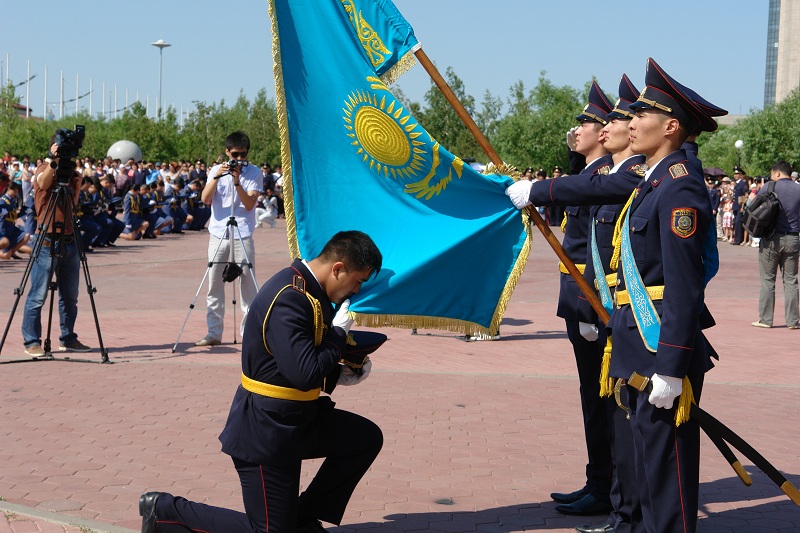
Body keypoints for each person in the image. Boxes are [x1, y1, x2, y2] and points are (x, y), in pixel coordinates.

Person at [509, 57, 725, 533]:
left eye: (639, 117)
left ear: (669, 127)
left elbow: (684, 286)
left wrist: (671, 366)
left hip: (657, 340)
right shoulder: (651, 181)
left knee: (665, 472)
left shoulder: (678, 188)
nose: (629, 124)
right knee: (644, 458)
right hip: (632, 332)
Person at [139, 230, 384, 533]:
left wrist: (339, 373)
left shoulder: (308, 290)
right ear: (338, 269)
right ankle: (163, 509)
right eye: (358, 281)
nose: (357, 291)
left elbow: (288, 361)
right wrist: (337, 335)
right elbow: (304, 372)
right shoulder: (291, 297)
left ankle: (303, 517)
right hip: (266, 429)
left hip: (297, 420)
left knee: (365, 439)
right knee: (268, 531)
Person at [21, 137, 92, 356]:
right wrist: (53, 159)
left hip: (70, 241)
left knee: (70, 296)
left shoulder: (71, 174)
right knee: (38, 295)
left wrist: (77, 182)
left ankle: (68, 338)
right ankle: (31, 341)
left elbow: (73, 203)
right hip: (47, 240)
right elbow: (43, 183)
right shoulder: (45, 167)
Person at [195, 131, 262, 347]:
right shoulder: (216, 170)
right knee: (214, 283)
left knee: (248, 286)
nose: (240, 159)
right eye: (235, 154)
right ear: (227, 152)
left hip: (242, 233)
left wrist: (237, 182)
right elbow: (205, 199)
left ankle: (250, 334)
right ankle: (214, 332)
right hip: (219, 234)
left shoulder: (254, 173)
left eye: (243, 154)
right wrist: (217, 177)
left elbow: (250, 204)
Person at [751, 161, 800, 329]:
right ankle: (793, 321)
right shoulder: (798, 189)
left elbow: (754, 208)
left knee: (767, 280)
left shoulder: (770, 187)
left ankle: (765, 319)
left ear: (777, 173)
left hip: (771, 239)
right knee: (791, 280)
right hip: (793, 238)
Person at [0, 182, 31, 259]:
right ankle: (9, 252)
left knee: (26, 236)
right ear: (9, 189)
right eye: (15, 191)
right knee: (6, 256)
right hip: (4, 231)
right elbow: (2, 218)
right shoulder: (2, 201)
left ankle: (12, 252)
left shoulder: (12, 201)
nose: (16, 193)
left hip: (12, 230)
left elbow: (13, 217)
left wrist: (24, 212)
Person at [731, 166, 748, 244]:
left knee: (738, 222)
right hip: (735, 206)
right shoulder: (737, 184)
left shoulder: (743, 183)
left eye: (737, 174)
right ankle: (736, 238)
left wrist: (742, 206)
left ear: (741, 175)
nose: (735, 175)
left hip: (740, 206)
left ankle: (738, 239)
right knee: (735, 222)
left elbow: (745, 195)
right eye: (735, 174)